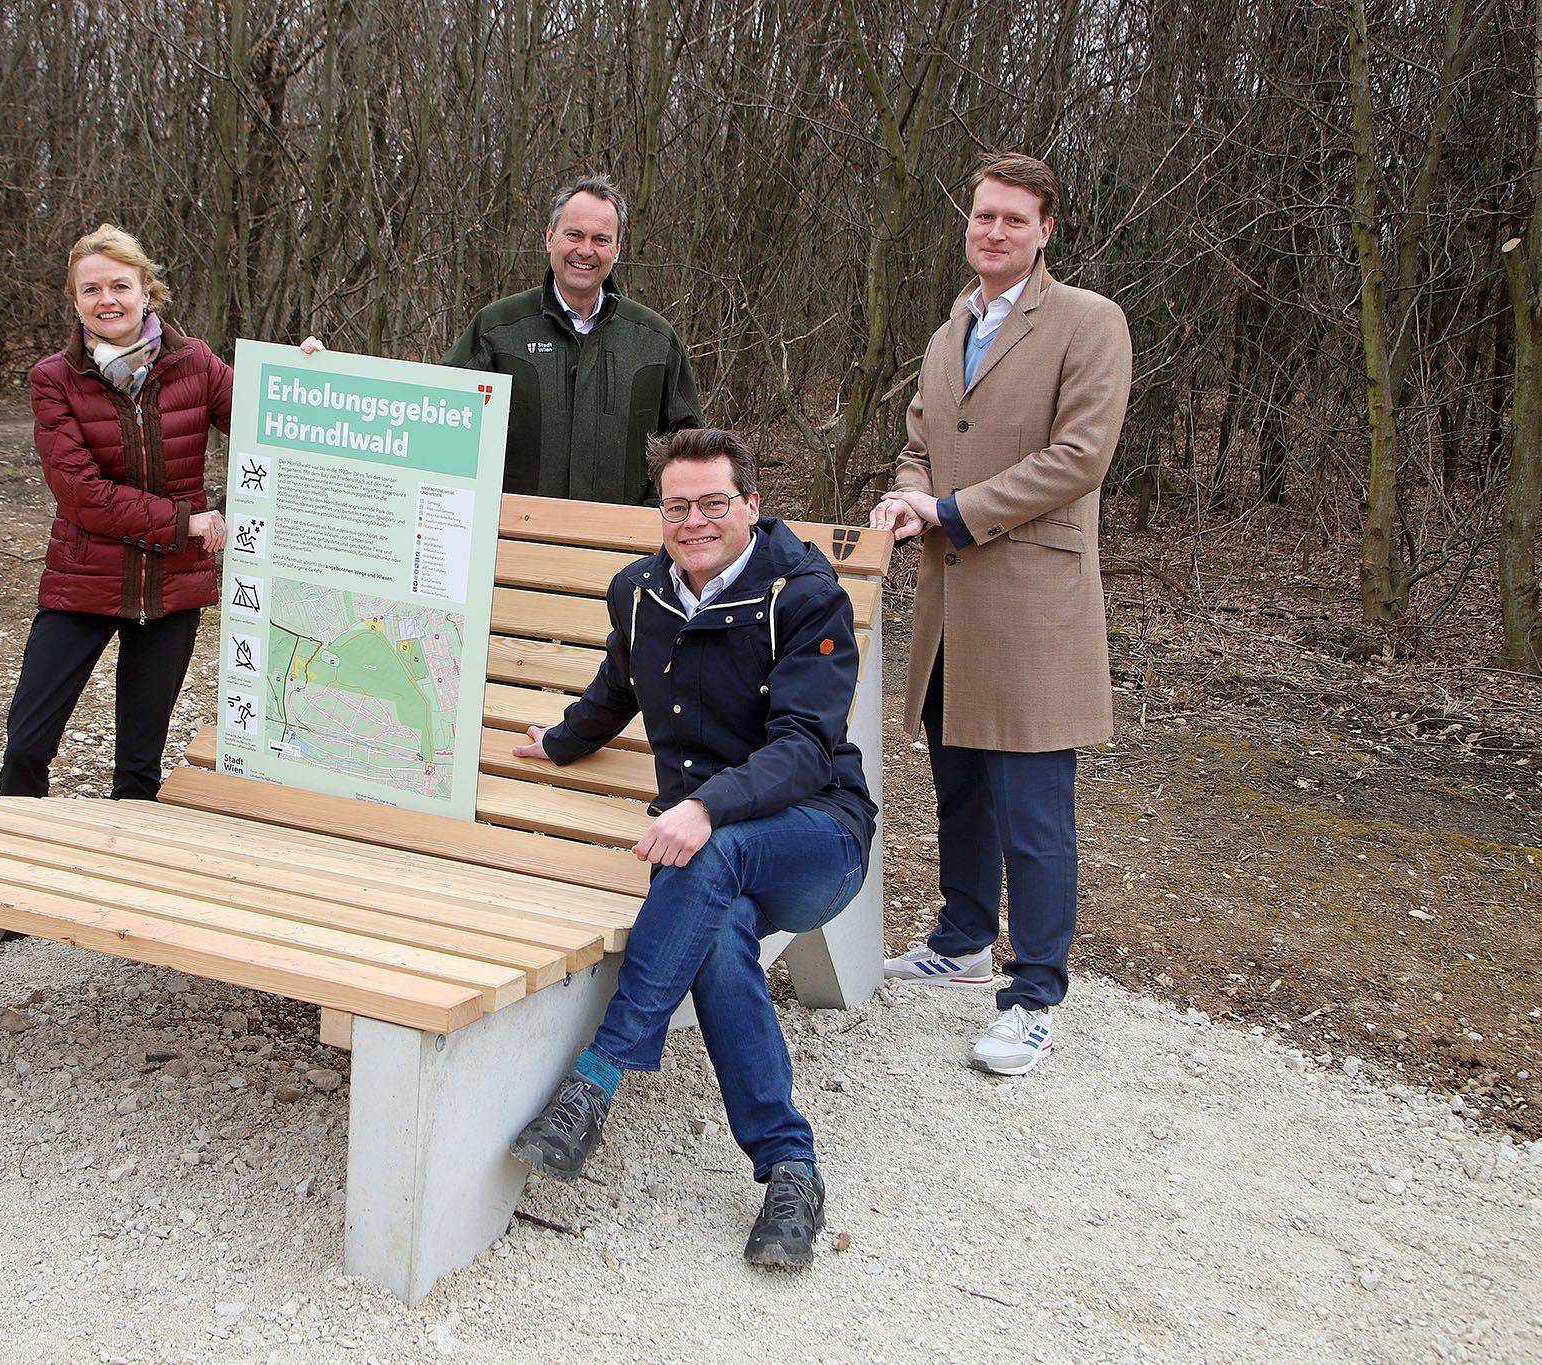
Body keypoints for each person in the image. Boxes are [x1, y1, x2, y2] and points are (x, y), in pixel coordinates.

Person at [506, 428, 876, 1268]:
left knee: (709, 859)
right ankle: (790, 1167)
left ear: (751, 504)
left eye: (715, 502)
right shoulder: (641, 592)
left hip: (815, 837)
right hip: (707, 852)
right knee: (714, 928)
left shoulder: (803, 594)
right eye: (678, 506)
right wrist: (561, 740)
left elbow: (807, 746)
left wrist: (707, 805)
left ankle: (596, 1078)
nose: (695, 521)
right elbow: (616, 688)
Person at [870, 151, 1132, 1077]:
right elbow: (915, 443)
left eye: (1014, 219)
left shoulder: (1087, 323)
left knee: (1033, 808)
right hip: (949, 601)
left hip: (1032, 605)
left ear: (1046, 228)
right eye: (983, 216)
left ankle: (1035, 994)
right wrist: (907, 500)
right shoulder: (952, 331)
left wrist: (948, 510)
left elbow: (1080, 457)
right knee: (961, 786)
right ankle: (964, 935)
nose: (994, 232)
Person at [0, 223, 232, 802]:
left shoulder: (196, 363)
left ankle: (121, 879)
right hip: (84, 577)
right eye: (91, 290)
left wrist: (304, 373)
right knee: (27, 745)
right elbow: (81, 493)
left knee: (138, 769)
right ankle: (14, 864)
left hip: (171, 587)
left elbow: (271, 424)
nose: (108, 301)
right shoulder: (54, 379)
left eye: (120, 286)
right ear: (75, 301)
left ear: (147, 291)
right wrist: (185, 523)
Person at [443, 173, 701, 505]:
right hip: (513, 541)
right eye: (574, 234)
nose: (585, 250)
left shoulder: (654, 340)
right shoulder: (497, 329)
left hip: (624, 545)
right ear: (550, 237)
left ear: (618, 249)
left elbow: (687, 447)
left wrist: (652, 513)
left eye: (601, 239)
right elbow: (443, 426)